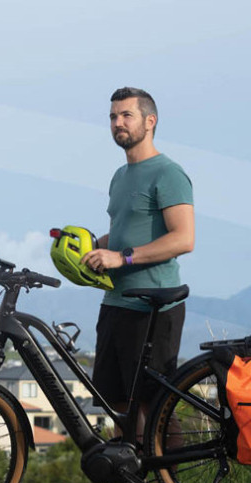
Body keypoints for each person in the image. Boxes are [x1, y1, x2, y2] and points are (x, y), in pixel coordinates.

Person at [80, 87, 195, 442]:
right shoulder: (120, 176)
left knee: (155, 407)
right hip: (116, 302)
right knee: (119, 407)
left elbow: (183, 238)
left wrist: (122, 257)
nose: (118, 123)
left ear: (150, 121)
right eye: (113, 117)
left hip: (154, 306)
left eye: (126, 115)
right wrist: (83, 248)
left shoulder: (168, 173)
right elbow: (120, 235)